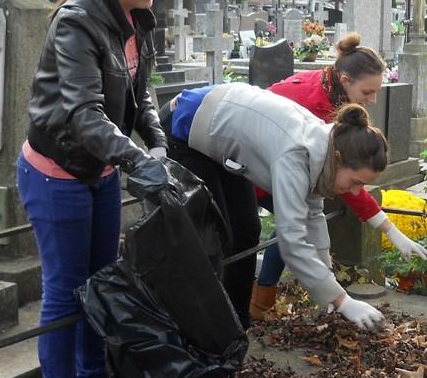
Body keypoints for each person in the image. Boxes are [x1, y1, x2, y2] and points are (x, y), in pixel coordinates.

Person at [19, 0, 172, 378]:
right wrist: (137, 160)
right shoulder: (77, 22)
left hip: (103, 167)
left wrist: (156, 141)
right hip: (57, 170)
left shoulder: (136, 19)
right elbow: (84, 114)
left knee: (102, 278)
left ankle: (92, 377)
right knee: (65, 287)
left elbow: (140, 92)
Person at [161, 83, 388, 331]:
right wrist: (343, 300)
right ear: (338, 159)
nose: (356, 192)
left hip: (223, 138)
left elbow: (313, 215)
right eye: (356, 182)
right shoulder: (296, 152)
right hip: (185, 127)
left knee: (246, 230)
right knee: (213, 237)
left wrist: (330, 286)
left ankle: (238, 324)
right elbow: (291, 241)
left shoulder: (325, 147)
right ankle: (201, 328)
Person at [251, 33, 427, 321]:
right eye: (367, 92)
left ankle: (266, 297)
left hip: (272, 167)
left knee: (294, 226)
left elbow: (349, 179)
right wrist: (390, 231)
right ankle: (260, 301)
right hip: (253, 169)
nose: (372, 100)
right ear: (346, 80)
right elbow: (348, 183)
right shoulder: (316, 109)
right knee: (290, 228)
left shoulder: (329, 87)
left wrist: (391, 231)